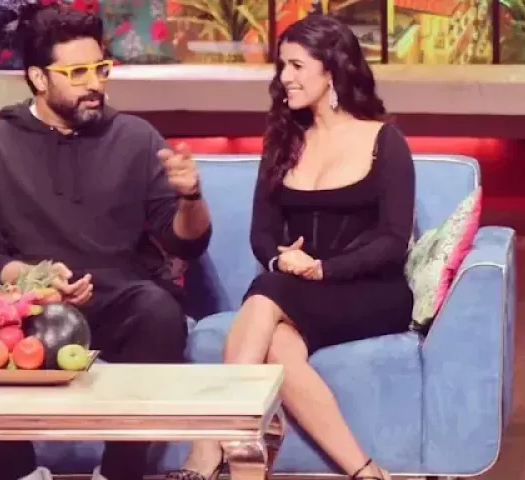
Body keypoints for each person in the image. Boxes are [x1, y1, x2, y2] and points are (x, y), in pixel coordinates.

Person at [0, 4, 211, 480]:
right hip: (27, 308)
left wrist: (190, 197)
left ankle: (119, 473)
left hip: (116, 300)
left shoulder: (136, 138)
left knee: (160, 311)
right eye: (77, 73)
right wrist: (36, 281)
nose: (94, 83)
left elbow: (185, 242)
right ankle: (15, 474)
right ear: (38, 79)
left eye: (100, 68)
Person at [166, 14, 414, 480]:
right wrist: (282, 259)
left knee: (265, 292)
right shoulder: (283, 142)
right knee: (277, 340)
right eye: (282, 66)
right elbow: (262, 234)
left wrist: (322, 269)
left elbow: (392, 241)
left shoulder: (384, 141)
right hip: (298, 288)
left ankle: (205, 450)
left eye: (297, 66)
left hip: (371, 291)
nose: (285, 77)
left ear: (332, 70)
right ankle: (363, 470)